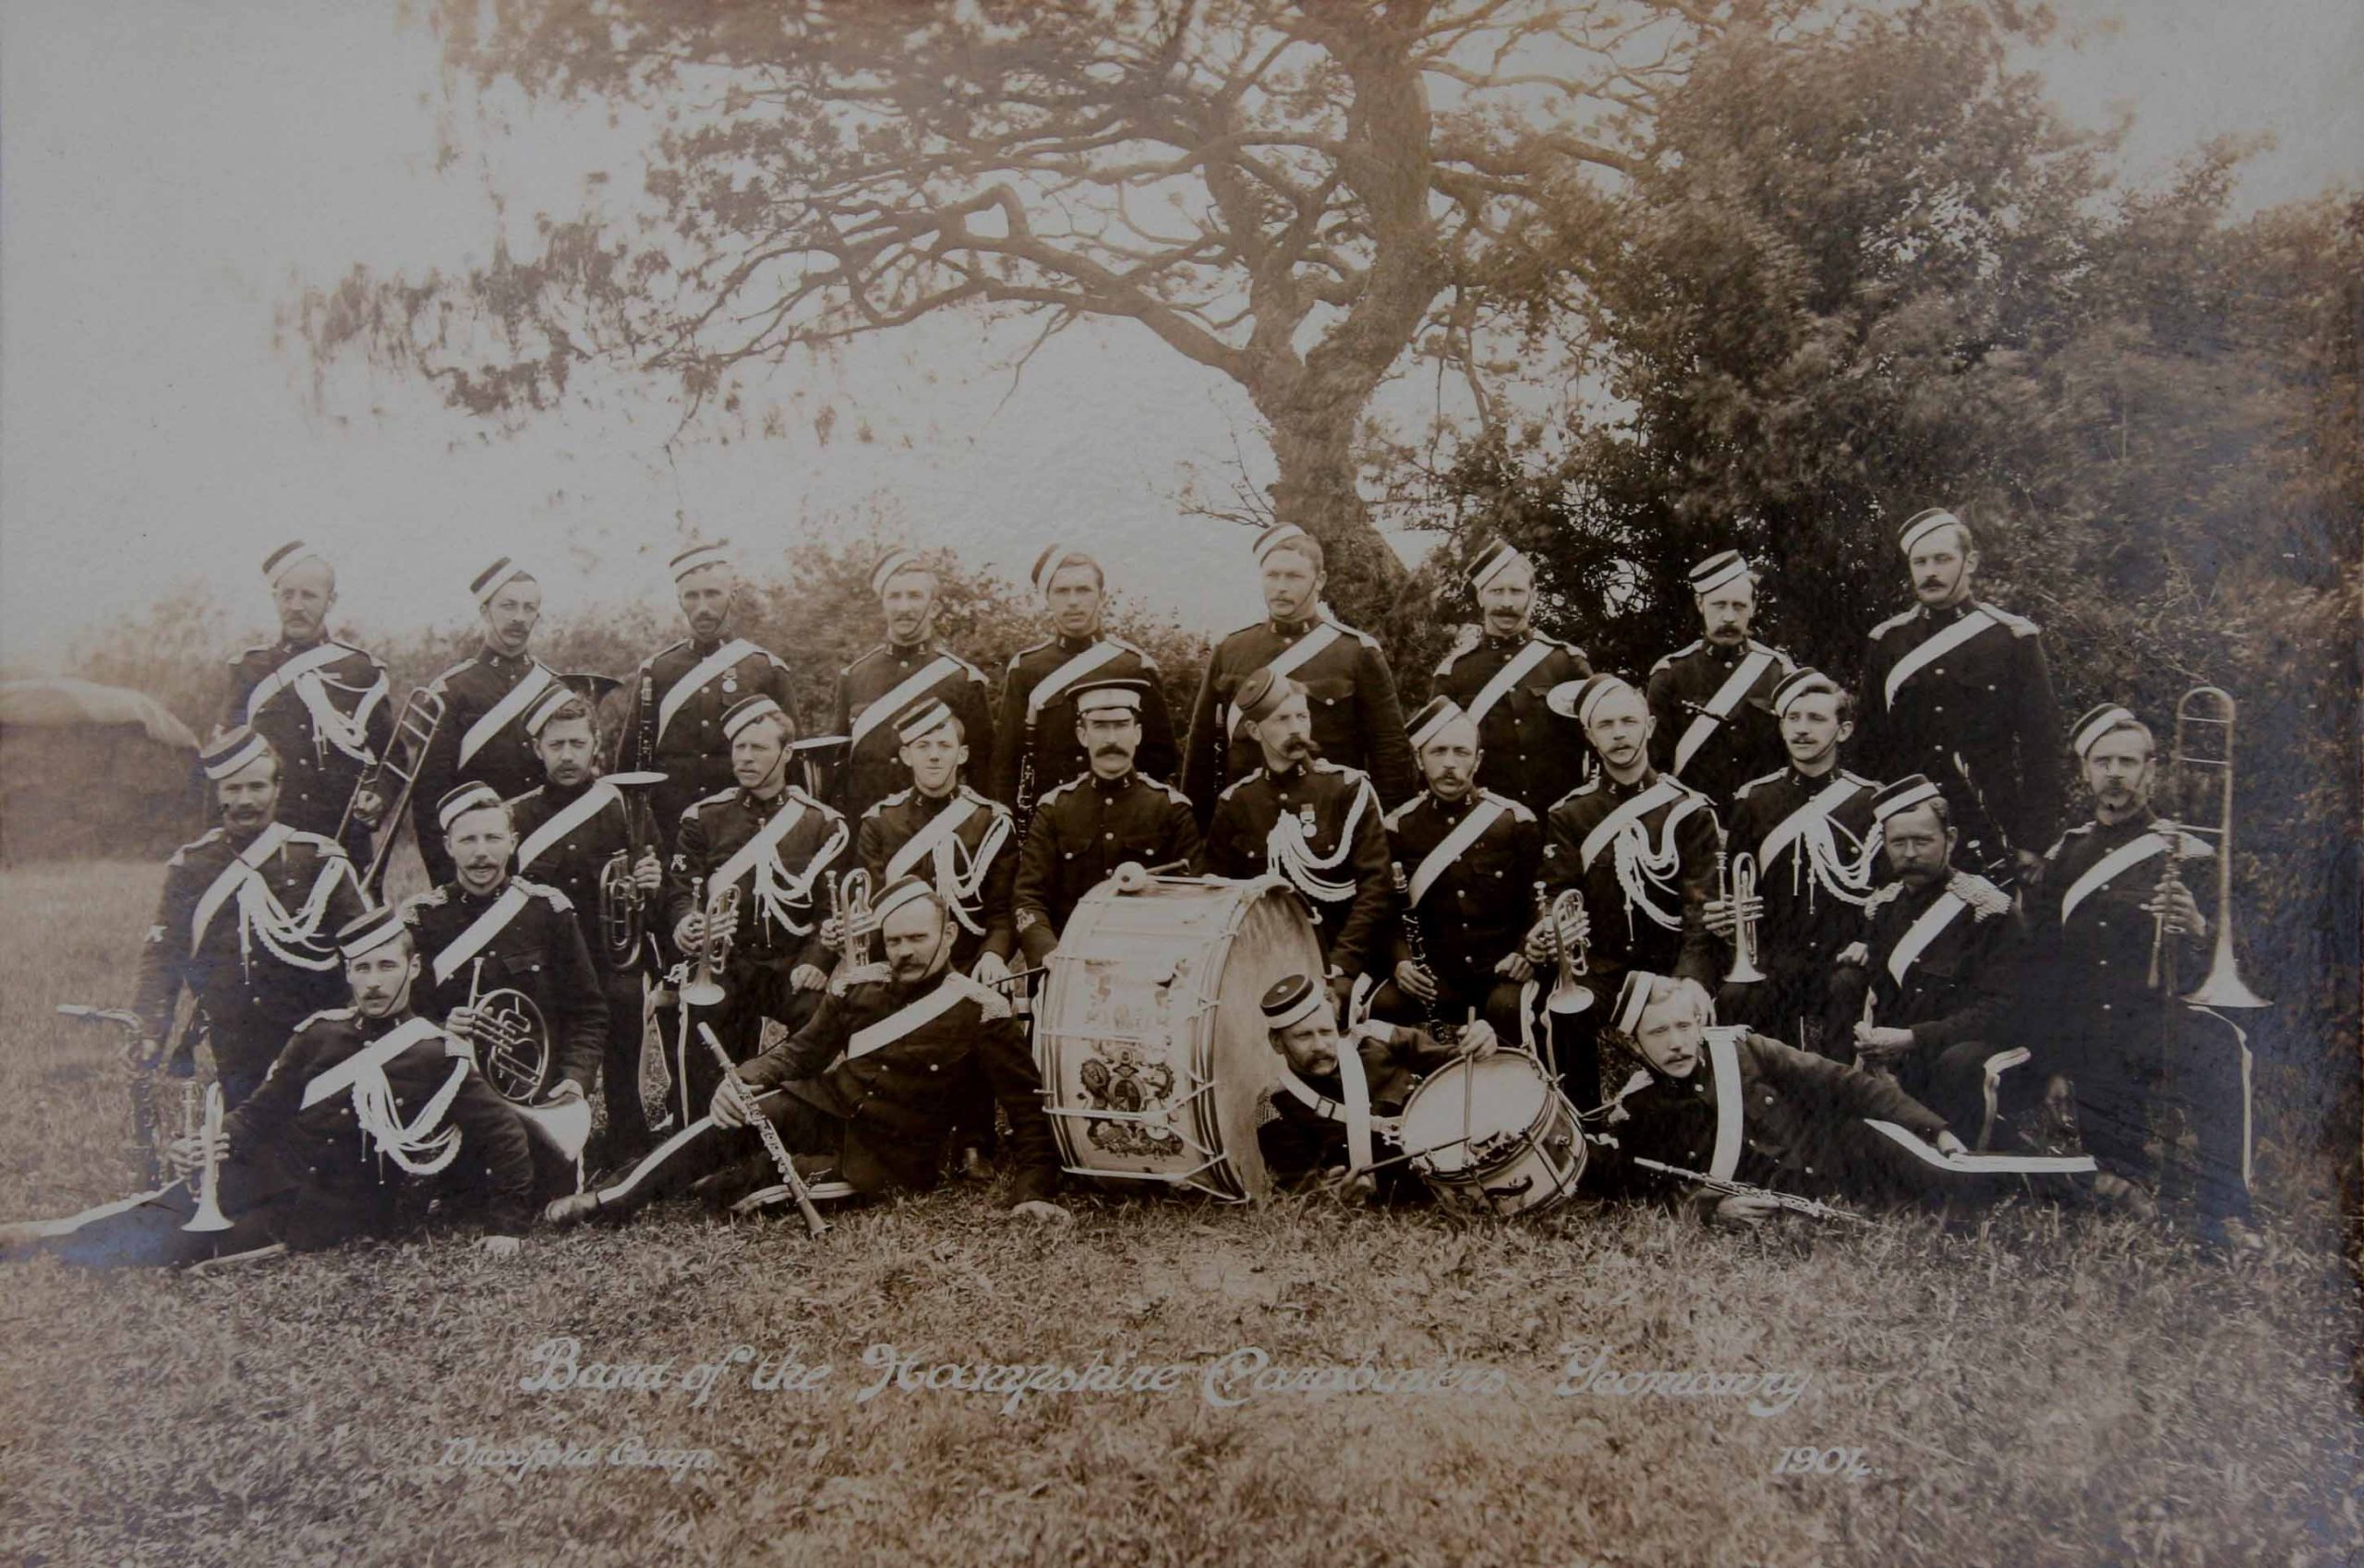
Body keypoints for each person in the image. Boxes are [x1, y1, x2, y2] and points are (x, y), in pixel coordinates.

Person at [2, 908, 536, 1267]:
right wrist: (215, 1141)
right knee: (159, 1210)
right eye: (361, 969)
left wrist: (506, 1226)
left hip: (331, 1208)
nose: (373, 982)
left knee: (185, 1249)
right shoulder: (320, 1032)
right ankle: (41, 1235)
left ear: (413, 968)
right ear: (348, 974)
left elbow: (504, 1133)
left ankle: (45, 1244)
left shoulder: (436, 1052)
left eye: (386, 967)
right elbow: (259, 1114)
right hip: (266, 1170)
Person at [544, 877, 1069, 1226]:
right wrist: (742, 1079)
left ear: (949, 934)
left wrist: (1032, 1191)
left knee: (736, 1196)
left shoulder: (983, 1011)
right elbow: (799, 1054)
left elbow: (1027, 1111)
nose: (904, 953)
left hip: (888, 1154)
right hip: (823, 1107)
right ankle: (609, 1201)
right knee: (729, 1123)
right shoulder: (859, 987)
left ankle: (732, 1179)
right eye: (894, 942)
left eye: (917, 939)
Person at [2024, 705, 2257, 1248]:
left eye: (2127, 761)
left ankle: (2227, 1209)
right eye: (2101, 761)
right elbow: (2042, 968)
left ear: (2152, 771)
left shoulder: (2189, 851)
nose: (2114, 773)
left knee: (2223, 1045)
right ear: (2085, 772)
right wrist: (2054, 1063)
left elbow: (2228, 964)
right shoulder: (2066, 857)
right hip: (2089, 1033)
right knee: (2117, 1180)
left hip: (2157, 1019)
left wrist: (2196, 927)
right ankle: (2122, 1179)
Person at [1587, 971, 1994, 1224]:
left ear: (1699, 1024)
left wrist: (1933, 1128)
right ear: (1633, 1044)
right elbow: (1649, 1186)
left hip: (1845, 1154)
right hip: (1789, 1198)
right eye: (1658, 1033)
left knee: (1968, 1183)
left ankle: (2050, 1183)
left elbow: (1842, 1082)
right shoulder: (1638, 1108)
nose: (1676, 1044)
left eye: (1682, 1026)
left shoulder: (1742, 1050)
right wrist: (1712, 1210)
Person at [129, 727, 368, 1107]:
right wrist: (150, 1031)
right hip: (236, 1041)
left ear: (277, 788)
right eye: (233, 789)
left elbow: (367, 950)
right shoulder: (191, 867)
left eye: (257, 787)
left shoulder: (319, 860)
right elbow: (163, 956)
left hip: (322, 1039)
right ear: (217, 795)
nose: (245, 800)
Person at [1532, 674, 1720, 1111]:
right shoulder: (1570, 814)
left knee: (1697, 1017)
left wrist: (1691, 977)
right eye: (1606, 725)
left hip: (1675, 962)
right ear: (1589, 736)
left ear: (1650, 727)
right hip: (1606, 969)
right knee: (1567, 1014)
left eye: (1629, 722)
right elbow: (1556, 891)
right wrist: (1549, 925)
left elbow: (1700, 906)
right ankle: (1587, 1128)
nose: (1619, 734)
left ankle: (1704, 1122)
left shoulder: (1687, 808)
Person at [663, 695, 850, 1130]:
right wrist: (688, 923)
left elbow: (829, 908)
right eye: (739, 748)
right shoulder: (703, 818)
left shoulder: (823, 823)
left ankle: (794, 1121)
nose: (745, 758)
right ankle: (696, 1130)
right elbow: (680, 890)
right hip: (727, 963)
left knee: (821, 1015)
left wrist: (817, 962)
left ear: (786, 754)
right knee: (699, 1013)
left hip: (792, 962)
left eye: (759, 748)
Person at [1854, 508, 2064, 887]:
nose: (1930, 571)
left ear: (1971, 563)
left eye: (1942, 559)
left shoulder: (2011, 639)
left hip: (1990, 828)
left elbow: (2042, 746)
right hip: (1907, 834)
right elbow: (1867, 748)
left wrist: (2034, 840)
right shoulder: (1888, 643)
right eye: (1920, 562)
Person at [505, 688, 668, 1164]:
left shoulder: (622, 804)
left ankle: (627, 1136)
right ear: (537, 749)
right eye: (556, 745)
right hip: (549, 963)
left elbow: (656, 900)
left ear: (596, 744)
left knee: (622, 997)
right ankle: (544, 1137)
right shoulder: (517, 815)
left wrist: (650, 883)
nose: (568, 755)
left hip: (611, 958)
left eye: (578, 743)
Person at [1824, 776, 2029, 1148]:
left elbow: (2002, 1010)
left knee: (1958, 1062)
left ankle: (1963, 1160)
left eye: (1923, 841)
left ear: (1950, 839)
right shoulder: (1882, 908)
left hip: (1978, 1046)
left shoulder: (1989, 909)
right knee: (1845, 980)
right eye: (1898, 842)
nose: (1911, 853)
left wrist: (1913, 1038)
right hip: (1907, 1045)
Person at [401, 783, 608, 1137]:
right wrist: (440, 1029)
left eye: (493, 838)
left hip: (538, 1095)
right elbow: (403, 1019)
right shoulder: (423, 920)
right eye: (468, 841)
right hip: (453, 1101)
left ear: (512, 842)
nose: (482, 853)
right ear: (448, 846)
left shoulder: (547, 910)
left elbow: (588, 1012)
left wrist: (574, 1081)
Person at [1182, 523, 1414, 824]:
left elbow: (1390, 753)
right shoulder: (1231, 650)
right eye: (1272, 575)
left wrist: (1387, 826)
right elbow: (1201, 751)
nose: (1280, 586)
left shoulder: (1356, 652)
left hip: (1332, 825)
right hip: (1246, 823)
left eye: (1293, 576)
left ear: (1320, 581)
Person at [1201, 669, 1393, 1013]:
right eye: (1282, 719)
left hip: (1342, 961)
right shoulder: (1237, 803)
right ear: (1254, 730)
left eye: (1302, 716)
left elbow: (1375, 888)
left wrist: (1341, 966)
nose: (1296, 728)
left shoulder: (1346, 790)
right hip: (1262, 961)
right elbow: (1220, 896)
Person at [1709, 669, 1883, 1051]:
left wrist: (1870, 942)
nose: (1802, 730)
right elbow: (1737, 885)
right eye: (1793, 718)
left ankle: (1839, 1102)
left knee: (1848, 987)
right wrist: (1727, 917)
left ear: (1845, 730)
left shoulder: (1869, 802)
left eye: (1817, 719)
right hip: (1776, 955)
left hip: (1842, 955)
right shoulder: (1754, 799)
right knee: (1739, 996)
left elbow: (1888, 889)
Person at [1373, 696, 1545, 1046]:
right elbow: (1386, 913)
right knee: (1381, 1009)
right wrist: (1402, 964)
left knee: (1507, 1009)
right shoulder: (1398, 827)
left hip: (1500, 974)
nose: (1449, 764)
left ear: (1478, 760)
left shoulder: (1513, 822)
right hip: (1436, 977)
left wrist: (1525, 952)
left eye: (1461, 752)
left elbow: (1537, 900)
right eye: (1437, 752)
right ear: (1420, 759)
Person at [1251, 971, 1500, 1201]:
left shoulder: (1376, 1038)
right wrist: (1332, 1195)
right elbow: (1294, 1191)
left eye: (1326, 1032)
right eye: (1303, 1036)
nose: (1320, 1045)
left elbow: (1457, 1064)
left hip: (1462, 1154)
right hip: (1396, 1196)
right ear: (1277, 1043)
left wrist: (1481, 1041)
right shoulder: (1276, 1104)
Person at [616, 540, 797, 853]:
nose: (703, 607)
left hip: (744, 828)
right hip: (669, 829)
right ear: (680, 600)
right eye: (692, 596)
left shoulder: (765, 669)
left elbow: (791, 761)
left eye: (712, 594)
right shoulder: (656, 671)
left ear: (732, 596)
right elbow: (629, 763)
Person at [990, 543, 1179, 836]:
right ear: (1047, 599)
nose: (1073, 601)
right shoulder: (1026, 670)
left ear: (1101, 596)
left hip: (1124, 825)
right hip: (1051, 829)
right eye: (1062, 592)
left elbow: (1161, 757)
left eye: (1083, 590)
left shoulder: (1134, 666)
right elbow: (1007, 764)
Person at [223, 539, 392, 864]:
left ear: (331, 601)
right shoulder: (248, 670)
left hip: (342, 841)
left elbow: (390, 755)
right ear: (275, 599)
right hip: (265, 842)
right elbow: (227, 763)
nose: (296, 606)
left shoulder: (361, 671)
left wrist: (378, 797)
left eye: (309, 596)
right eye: (287, 595)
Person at [1012, 679, 1200, 965]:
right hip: (1068, 963)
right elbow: (1028, 898)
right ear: (1082, 735)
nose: (1112, 739)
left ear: (1137, 734)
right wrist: (1050, 954)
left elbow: (1194, 899)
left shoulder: (1170, 809)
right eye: (1100, 726)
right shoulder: (1055, 809)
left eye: (1121, 725)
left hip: (1148, 967)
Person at [409, 557, 568, 887]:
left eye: (529, 608)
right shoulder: (451, 691)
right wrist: (447, 882)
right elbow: (429, 797)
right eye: (508, 606)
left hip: (547, 855)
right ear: (485, 611)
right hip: (474, 862)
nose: (518, 618)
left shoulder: (556, 688)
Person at [856, 700, 1018, 986]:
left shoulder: (991, 822)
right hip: (900, 969)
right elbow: (872, 914)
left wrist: (992, 955)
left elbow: (1001, 912)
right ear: (906, 755)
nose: (934, 756)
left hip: (969, 967)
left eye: (944, 746)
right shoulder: (879, 823)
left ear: (962, 754)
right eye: (923, 746)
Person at [1429, 538, 1592, 817]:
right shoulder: (1455, 673)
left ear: (1533, 595)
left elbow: (1599, 736)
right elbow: (1433, 753)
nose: (1506, 603)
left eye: (1516, 591)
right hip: (1485, 827)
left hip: (1557, 821)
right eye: (1496, 591)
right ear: (1480, 596)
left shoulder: (1566, 663)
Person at [830, 549, 995, 825]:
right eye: (894, 596)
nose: (903, 607)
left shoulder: (961, 679)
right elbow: (838, 771)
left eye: (915, 596)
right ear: (883, 604)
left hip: (939, 832)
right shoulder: (854, 677)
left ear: (934, 608)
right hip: (866, 831)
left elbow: (984, 774)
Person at [1646, 549, 1795, 818]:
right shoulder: (1670, 675)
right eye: (1719, 605)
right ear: (1700, 604)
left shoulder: (1779, 672)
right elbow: (1657, 769)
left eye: (1739, 606)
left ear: (1754, 606)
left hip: (1765, 819)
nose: (1728, 617)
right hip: (1691, 823)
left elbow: (1793, 758)